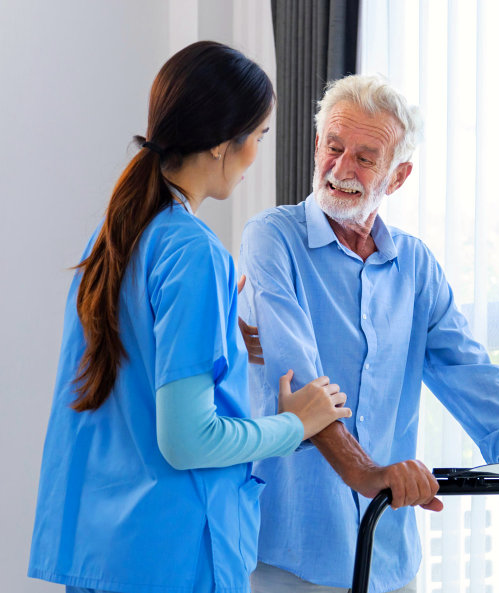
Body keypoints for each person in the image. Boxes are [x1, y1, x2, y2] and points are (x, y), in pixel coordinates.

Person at [27, 41, 352, 593]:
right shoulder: (194, 252)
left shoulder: (114, 240)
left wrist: (222, 328)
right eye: (259, 137)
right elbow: (188, 440)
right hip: (173, 561)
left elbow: (132, 381)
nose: (257, 155)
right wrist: (296, 423)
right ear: (225, 143)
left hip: (109, 556)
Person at [238, 73, 499, 593]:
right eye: (334, 148)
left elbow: (466, 366)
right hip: (284, 551)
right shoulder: (272, 238)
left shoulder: (415, 265)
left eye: (365, 157)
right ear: (317, 145)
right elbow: (300, 378)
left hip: (387, 553)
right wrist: (366, 473)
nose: (341, 169)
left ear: (398, 175)